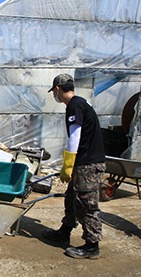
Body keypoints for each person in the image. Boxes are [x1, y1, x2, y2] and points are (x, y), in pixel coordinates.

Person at [42, 74, 106, 259]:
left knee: (86, 204)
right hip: (84, 162)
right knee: (71, 198)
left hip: (88, 163)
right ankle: (64, 231)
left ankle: (92, 246)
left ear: (56, 90)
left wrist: (67, 164)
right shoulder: (80, 102)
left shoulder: (74, 105)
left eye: (54, 92)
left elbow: (75, 136)